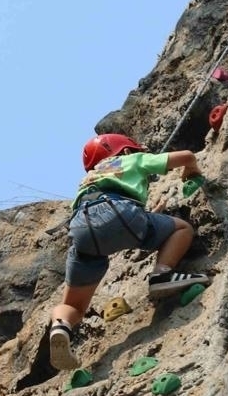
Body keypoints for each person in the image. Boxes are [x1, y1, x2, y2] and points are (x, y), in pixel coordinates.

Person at [43, 133, 209, 372]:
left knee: (74, 306)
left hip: (82, 230)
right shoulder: (132, 160)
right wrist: (191, 171)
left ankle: (61, 326)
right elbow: (186, 156)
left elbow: (103, 214)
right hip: (122, 214)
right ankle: (162, 275)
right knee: (182, 228)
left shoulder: (89, 178)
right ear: (127, 151)